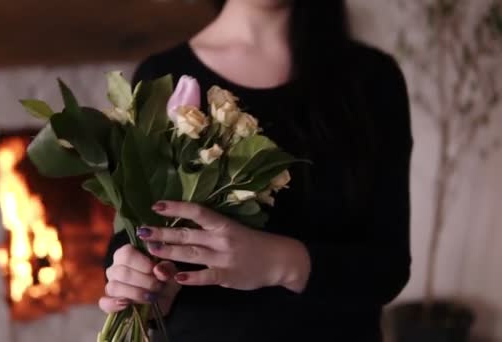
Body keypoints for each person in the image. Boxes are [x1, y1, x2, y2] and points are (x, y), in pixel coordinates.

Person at [99, 1, 413, 341]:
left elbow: (388, 267)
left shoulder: (371, 79)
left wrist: (277, 260)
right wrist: (139, 278)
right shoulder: (162, 76)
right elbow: (134, 233)